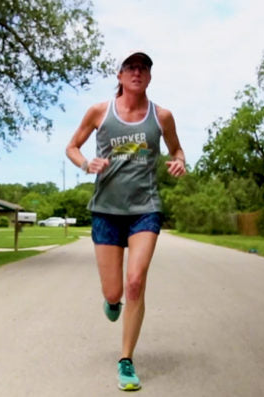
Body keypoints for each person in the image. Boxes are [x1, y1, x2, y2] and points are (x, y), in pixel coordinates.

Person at [65, 50, 186, 391]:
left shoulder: (161, 116)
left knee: (136, 282)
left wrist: (179, 162)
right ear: (119, 76)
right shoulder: (99, 112)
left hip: (145, 209)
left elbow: (178, 151)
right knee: (115, 291)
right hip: (105, 210)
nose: (137, 72)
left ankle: (126, 360)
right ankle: (112, 300)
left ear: (149, 77)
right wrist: (85, 163)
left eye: (144, 68)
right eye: (131, 67)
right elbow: (72, 146)